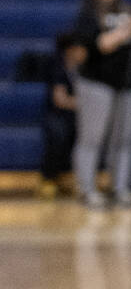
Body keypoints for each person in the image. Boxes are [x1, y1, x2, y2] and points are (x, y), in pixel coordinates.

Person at [73, 0, 131, 208]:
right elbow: (98, 45)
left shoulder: (126, 9)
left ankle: (120, 187)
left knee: (123, 140)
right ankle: (86, 188)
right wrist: (124, 32)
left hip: (126, 83)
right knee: (92, 138)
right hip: (96, 82)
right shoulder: (88, 14)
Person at [37, 33, 86, 198]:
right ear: (69, 50)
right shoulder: (58, 68)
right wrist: (87, 104)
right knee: (58, 133)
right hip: (58, 115)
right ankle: (48, 178)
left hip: (77, 116)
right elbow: (60, 100)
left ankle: (81, 179)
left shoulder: (84, 68)